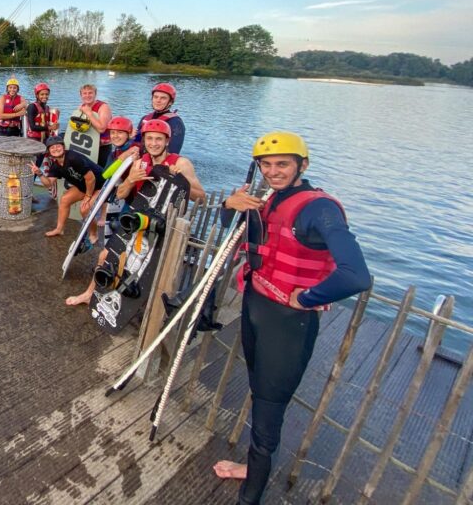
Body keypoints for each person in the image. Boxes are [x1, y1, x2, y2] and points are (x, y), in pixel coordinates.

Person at [213, 131, 371, 504]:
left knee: (269, 408)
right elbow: (232, 229)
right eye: (266, 165)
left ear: (303, 165)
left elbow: (356, 275)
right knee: (258, 390)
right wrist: (228, 204)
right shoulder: (271, 199)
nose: (273, 172)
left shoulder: (319, 209)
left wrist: (309, 298)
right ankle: (253, 468)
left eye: (282, 164)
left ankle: (250, 494)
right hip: (257, 308)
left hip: (287, 325)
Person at [66, 118, 203, 307]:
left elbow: (201, 197)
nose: (153, 143)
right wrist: (131, 180)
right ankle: (89, 294)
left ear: (167, 141)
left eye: (158, 139)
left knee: (155, 268)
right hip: (137, 219)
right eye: (150, 139)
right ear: (144, 140)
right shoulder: (140, 162)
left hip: (163, 223)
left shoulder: (181, 163)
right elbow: (120, 194)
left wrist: (180, 180)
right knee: (105, 255)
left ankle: (154, 307)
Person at [40, 135, 103, 239]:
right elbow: (49, 184)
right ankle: (59, 229)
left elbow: (91, 178)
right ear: (49, 152)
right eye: (52, 148)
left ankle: (93, 234)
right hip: (84, 186)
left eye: (58, 146)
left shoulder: (73, 158)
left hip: (100, 185)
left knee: (85, 209)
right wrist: (39, 174)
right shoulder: (55, 166)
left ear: (63, 147)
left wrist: (88, 196)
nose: (55, 149)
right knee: (64, 200)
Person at [134, 82, 186, 155]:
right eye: (155, 97)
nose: (158, 100)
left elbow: (173, 151)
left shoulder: (176, 123)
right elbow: (136, 142)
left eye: (163, 98)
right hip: (139, 157)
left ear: (170, 102)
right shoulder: (145, 118)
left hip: (157, 160)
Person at [78, 84, 113, 167]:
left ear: (95, 94)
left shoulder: (103, 107)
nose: (87, 95)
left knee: (101, 172)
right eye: (84, 93)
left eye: (90, 93)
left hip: (102, 147)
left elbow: (102, 129)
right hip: (87, 145)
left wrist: (89, 113)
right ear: (81, 95)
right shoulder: (82, 107)